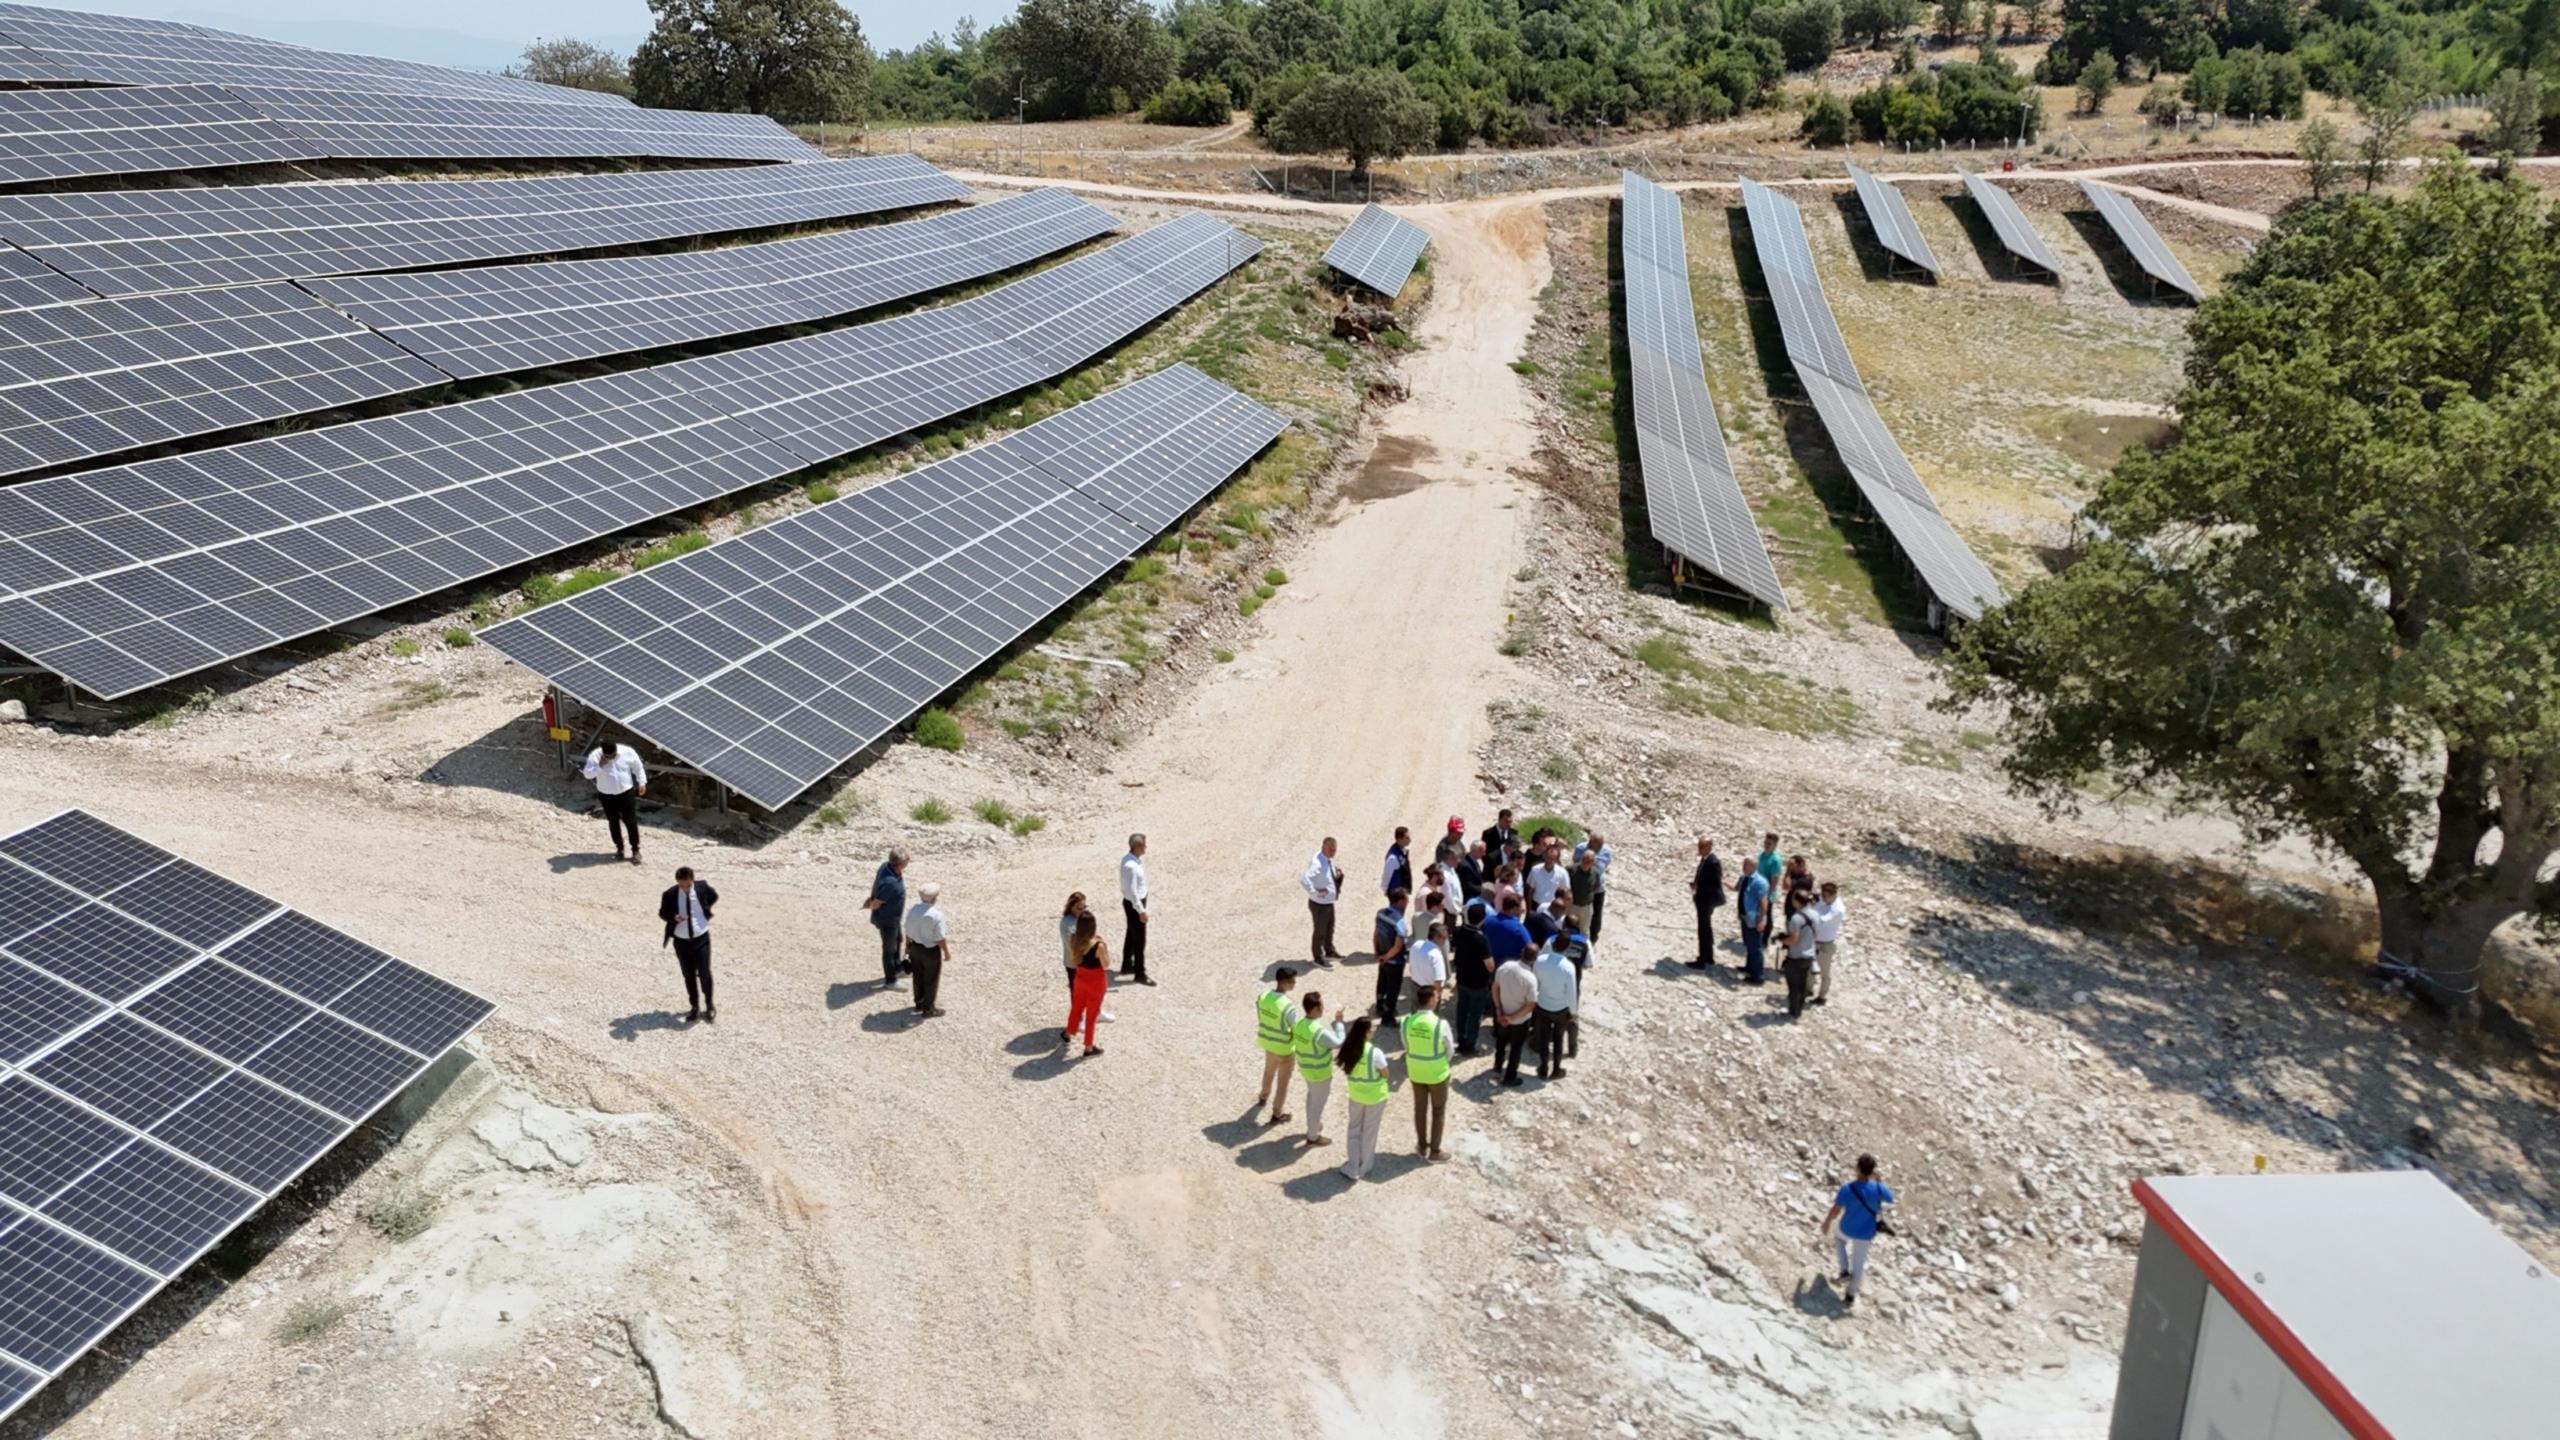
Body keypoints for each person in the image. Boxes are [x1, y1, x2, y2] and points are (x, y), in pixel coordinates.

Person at [1821, 1155, 1896, 1309]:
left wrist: (1827, 1221)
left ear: (1857, 1168)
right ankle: (1850, 1296)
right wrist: (1879, 1181)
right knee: (1859, 1264)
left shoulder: (1848, 1188)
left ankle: (1843, 1270)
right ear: (1871, 1171)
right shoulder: (1877, 1187)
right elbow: (1890, 1198)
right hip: (1866, 1232)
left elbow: (1836, 1210)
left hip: (1847, 1228)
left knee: (1839, 1239)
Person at [658, 865, 716, 1023]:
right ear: (677, 882)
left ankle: (709, 1005)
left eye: (688, 885)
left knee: (704, 973)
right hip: (681, 941)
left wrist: (704, 912)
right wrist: (673, 918)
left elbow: (713, 896)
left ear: (692, 880)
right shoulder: (669, 894)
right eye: (681, 885)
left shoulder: (702, 887)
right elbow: (662, 913)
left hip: (701, 937)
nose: (684, 888)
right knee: (688, 975)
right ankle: (695, 1007)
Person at [1402, 983, 1454, 1161]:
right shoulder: (1441, 1024)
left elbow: (1406, 1044)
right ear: (1431, 1000)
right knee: (1438, 1111)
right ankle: (1435, 1150)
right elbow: (1449, 1049)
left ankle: (1422, 1145)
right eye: (1437, 997)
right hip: (1437, 1073)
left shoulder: (1407, 1022)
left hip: (1416, 1071)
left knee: (1420, 1109)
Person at [1337, 1018, 1389, 1183]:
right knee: (1369, 1132)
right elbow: (1385, 1073)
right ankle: (1364, 1166)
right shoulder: (1375, 1053)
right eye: (1372, 1028)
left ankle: (1353, 1165)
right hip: (1375, 1097)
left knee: (1354, 1130)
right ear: (1365, 1032)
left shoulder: (1349, 1048)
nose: (1374, 1030)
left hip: (1356, 1095)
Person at [1292, 993, 1344, 1146]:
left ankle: (1312, 1126)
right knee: (1317, 1105)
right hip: (1319, 1073)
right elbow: (1338, 1042)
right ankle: (1313, 1136)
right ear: (1315, 1008)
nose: (1323, 1008)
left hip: (1306, 1069)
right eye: (1321, 1005)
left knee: (1311, 1099)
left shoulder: (1300, 1024)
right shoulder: (1318, 1031)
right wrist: (1339, 1024)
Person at [584, 739, 647, 864]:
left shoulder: (627, 751)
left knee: (631, 821)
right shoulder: (595, 756)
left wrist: (642, 782)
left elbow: (638, 767)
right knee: (613, 821)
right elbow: (587, 774)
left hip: (626, 793)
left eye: (613, 755)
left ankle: (635, 850)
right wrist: (600, 766)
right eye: (608, 756)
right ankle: (619, 849)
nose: (611, 758)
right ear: (603, 753)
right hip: (606, 795)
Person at [1254, 967, 1302, 1123]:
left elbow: (1260, 1016)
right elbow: (1296, 1029)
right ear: (1284, 983)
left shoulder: (1263, 997)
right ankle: (1277, 1113)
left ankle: (1263, 1096)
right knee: (1283, 1083)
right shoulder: (1288, 1006)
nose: (1294, 984)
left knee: (1268, 1072)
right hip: (1284, 1049)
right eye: (1292, 981)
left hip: (1268, 1042)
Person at [1449, 901, 1495, 1057]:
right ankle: (1469, 1045)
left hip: (1462, 979)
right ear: (1482, 919)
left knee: (1462, 1010)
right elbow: (1489, 965)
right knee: (1475, 1015)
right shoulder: (1482, 939)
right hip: (1478, 983)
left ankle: (1461, 1040)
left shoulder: (1458, 932)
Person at [1530, 934, 1578, 1080]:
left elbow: (1535, 982)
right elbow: (1571, 992)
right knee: (1558, 1039)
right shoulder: (1569, 967)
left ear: (1553, 944)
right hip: (1560, 1009)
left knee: (1544, 1039)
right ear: (1568, 947)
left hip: (1543, 1005)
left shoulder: (1539, 960)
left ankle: (1543, 1067)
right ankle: (1556, 1069)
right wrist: (1573, 1011)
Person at [903, 881, 950, 1018]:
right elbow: (940, 938)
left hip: (914, 948)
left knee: (917, 977)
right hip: (930, 951)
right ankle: (929, 1009)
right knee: (931, 979)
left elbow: (908, 931)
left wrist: (907, 948)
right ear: (935, 897)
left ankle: (919, 1003)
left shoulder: (912, 910)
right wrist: (946, 952)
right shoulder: (936, 915)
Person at [1063, 912, 1108, 1056]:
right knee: (1091, 1014)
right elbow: (1106, 964)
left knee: (1076, 1007)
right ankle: (1088, 1046)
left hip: (1080, 978)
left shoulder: (1074, 939)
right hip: (1095, 981)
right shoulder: (1098, 945)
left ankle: (1069, 1032)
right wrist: (1104, 945)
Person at [865, 849, 908, 989]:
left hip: (894, 918)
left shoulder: (886, 866)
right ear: (900, 864)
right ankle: (891, 981)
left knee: (898, 940)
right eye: (906, 862)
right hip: (887, 920)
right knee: (889, 950)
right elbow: (877, 903)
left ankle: (897, 967)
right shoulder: (890, 883)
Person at [1302, 837, 1344, 967]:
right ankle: (1318, 957)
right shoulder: (1317, 863)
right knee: (1320, 931)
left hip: (1328, 902)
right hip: (1319, 904)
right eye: (1330, 849)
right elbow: (1304, 879)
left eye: (1334, 849)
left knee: (1329, 928)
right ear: (1324, 846)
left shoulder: (1326, 858)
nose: (1333, 852)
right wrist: (1315, 892)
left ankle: (1329, 951)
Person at [1370, 887, 1410, 1020]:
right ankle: (1388, 1017)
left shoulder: (1380, 913)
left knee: (1382, 982)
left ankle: (1379, 1006)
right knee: (1393, 988)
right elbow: (1398, 946)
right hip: (1394, 961)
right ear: (1400, 901)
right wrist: (1386, 957)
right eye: (1406, 899)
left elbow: (1376, 934)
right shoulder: (1400, 922)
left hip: (1382, 957)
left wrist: (1378, 954)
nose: (1407, 902)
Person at [1119, 833, 1153, 986]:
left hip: (1132, 902)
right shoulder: (1131, 866)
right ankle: (1140, 973)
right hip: (1135, 904)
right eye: (1144, 845)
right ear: (1137, 846)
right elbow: (1132, 892)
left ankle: (1127, 964)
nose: (1146, 847)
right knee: (1140, 939)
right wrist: (1141, 911)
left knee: (1131, 933)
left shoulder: (1130, 860)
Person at [1781, 888, 1817, 1019]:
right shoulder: (1815, 914)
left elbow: (1792, 940)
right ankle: (1799, 1010)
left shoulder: (1796, 918)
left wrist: (1782, 939)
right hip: (1809, 955)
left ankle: (1793, 1011)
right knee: (1802, 985)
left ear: (1796, 901)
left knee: (1793, 986)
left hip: (1796, 956)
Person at [1809, 882, 1847, 1005]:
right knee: (1809, 967)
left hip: (1825, 944)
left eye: (1825, 896)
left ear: (1833, 895)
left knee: (1824, 972)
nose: (1822, 898)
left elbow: (1820, 921)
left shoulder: (1838, 910)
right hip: (1813, 940)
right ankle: (1808, 989)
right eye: (1822, 894)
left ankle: (1822, 996)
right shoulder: (1823, 900)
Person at [1689, 836, 1723, 969]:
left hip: (1706, 900)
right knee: (1706, 928)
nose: (1699, 849)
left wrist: (1699, 887)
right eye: (1699, 846)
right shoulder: (1706, 860)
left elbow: (1714, 883)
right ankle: (1708, 956)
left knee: (1704, 930)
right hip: (1703, 899)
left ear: (1709, 846)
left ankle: (1703, 959)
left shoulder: (1713, 862)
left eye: (1702, 846)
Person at [1404, 918, 1448, 1019]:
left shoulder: (1416, 944)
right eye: (1444, 938)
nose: (1445, 941)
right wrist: (1437, 995)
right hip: (1429, 991)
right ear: (1437, 937)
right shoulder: (1436, 955)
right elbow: (1438, 980)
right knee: (1429, 1018)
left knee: (1415, 1014)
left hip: (1415, 985)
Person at [1574, 831, 1613, 942]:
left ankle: (1593, 935)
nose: (1600, 846)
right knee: (1579, 908)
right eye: (1598, 844)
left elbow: (1604, 866)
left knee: (1596, 911)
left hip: (1598, 886)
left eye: (1601, 844)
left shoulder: (1607, 851)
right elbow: (1576, 862)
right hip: (1581, 885)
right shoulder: (1580, 848)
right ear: (1591, 841)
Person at [1738, 863, 1772, 985]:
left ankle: (1758, 976)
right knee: (1749, 944)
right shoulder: (1744, 878)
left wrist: (1762, 920)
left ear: (1753, 866)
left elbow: (1764, 902)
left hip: (1754, 919)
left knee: (1755, 948)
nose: (1743, 867)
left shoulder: (1759, 882)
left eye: (1746, 865)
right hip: (1745, 917)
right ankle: (1749, 967)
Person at [1484, 893, 1533, 969]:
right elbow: (1530, 951)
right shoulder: (1520, 930)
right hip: (1507, 972)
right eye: (1522, 909)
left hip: (1487, 967)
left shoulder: (1487, 921)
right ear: (1514, 908)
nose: (1522, 911)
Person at [1526, 846, 1569, 915]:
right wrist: (1529, 909)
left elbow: (1566, 893)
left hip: (1553, 908)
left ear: (1557, 860)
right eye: (1548, 857)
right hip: (1536, 905)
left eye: (1553, 859)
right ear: (1544, 856)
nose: (1549, 861)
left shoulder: (1562, 873)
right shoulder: (1535, 870)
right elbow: (1530, 890)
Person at [1566, 847, 1598, 939]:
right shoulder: (1571, 870)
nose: (1586, 863)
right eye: (1584, 860)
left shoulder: (1595, 873)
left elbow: (1596, 887)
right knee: (1567, 926)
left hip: (1586, 907)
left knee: (1584, 930)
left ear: (1593, 862)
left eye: (1589, 861)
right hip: (1572, 905)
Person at [1381, 826, 1413, 902]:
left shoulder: (1403, 851)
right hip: (1395, 893)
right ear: (1399, 839)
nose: (1410, 840)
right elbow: (1387, 875)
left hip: (1402, 891)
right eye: (1407, 838)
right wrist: (1386, 889)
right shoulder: (1393, 857)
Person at [1454, 842, 1486, 906]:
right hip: (1469, 898)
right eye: (1482, 851)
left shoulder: (1474, 861)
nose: (1484, 854)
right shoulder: (1465, 865)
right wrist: (1484, 890)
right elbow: (1468, 886)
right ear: (1475, 851)